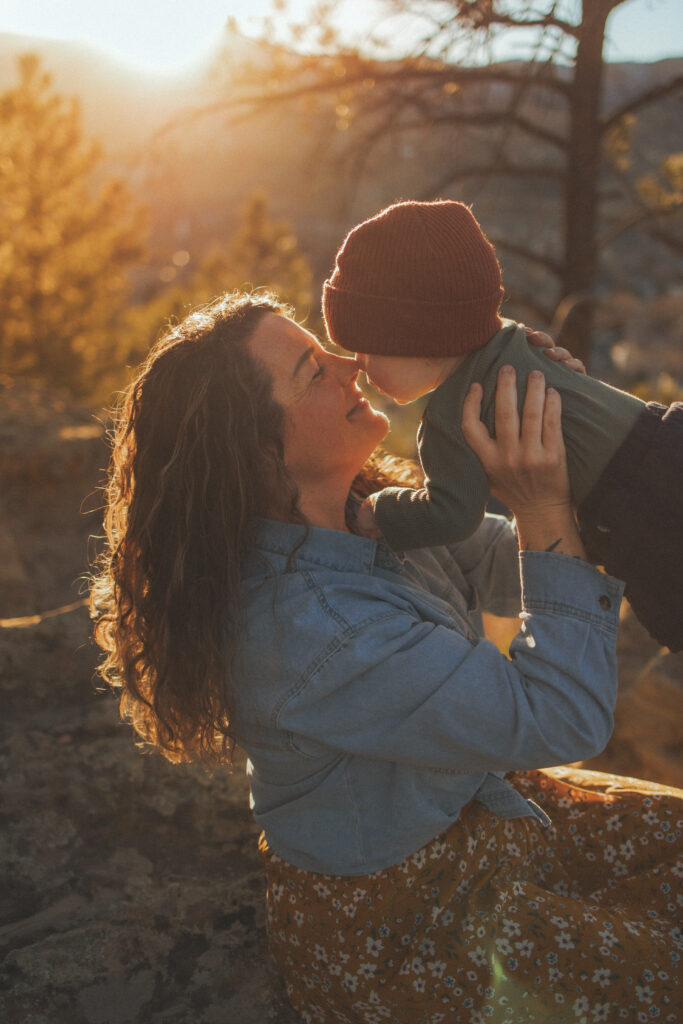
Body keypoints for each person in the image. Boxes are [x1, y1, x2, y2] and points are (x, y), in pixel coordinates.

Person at [91, 291, 683, 1023]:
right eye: (312, 370)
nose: (349, 364)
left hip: (482, 816)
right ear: (255, 452)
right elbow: (559, 715)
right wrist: (544, 511)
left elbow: (508, 564)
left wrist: (547, 422)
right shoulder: (310, 627)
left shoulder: (364, 516)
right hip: (415, 917)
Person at [322, 199, 683, 651]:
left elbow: (452, 513)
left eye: (367, 349)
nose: (359, 365)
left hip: (641, 512)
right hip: (667, 435)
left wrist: (383, 510)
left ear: (424, 341)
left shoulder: (454, 415)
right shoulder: (515, 339)